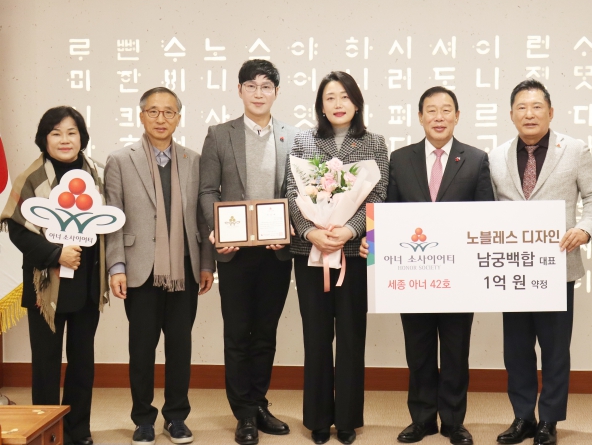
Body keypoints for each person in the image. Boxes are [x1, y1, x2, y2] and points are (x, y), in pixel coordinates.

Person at [489, 79, 592, 445]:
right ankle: (523, 417)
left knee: (555, 350)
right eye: (521, 107)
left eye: (537, 106)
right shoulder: (495, 156)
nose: (529, 114)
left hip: (558, 268)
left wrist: (585, 229)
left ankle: (549, 420)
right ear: (511, 114)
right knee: (516, 350)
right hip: (513, 269)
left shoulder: (574, 149)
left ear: (551, 112)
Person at [105, 87, 214, 445]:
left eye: (169, 112)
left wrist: (207, 264)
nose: (161, 118)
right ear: (141, 116)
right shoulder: (120, 160)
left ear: (178, 118)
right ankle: (143, 419)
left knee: (180, 347)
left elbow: (203, 219)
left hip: (184, 267)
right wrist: (116, 266)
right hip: (140, 269)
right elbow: (114, 220)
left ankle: (176, 417)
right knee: (141, 349)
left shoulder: (194, 160)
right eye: (153, 111)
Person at [286, 71, 389, 445]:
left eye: (345, 96)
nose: (338, 103)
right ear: (321, 106)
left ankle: (346, 419)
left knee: (350, 337)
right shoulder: (303, 140)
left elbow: (379, 194)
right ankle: (317, 419)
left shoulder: (375, 143)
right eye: (330, 97)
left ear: (356, 103)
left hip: (354, 255)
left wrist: (351, 229)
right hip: (310, 254)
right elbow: (291, 193)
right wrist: (310, 232)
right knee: (315, 338)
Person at [199, 59, 297, 445]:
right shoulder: (219, 135)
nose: (259, 93)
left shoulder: (293, 136)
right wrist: (217, 230)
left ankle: (259, 404)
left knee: (266, 333)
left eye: (266, 86)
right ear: (239, 90)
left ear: (276, 92)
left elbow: (297, 192)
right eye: (251, 86)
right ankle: (243, 413)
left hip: (276, 251)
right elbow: (209, 190)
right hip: (235, 251)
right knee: (238, 333)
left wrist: (290, 227)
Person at [388, 86, 493, 445]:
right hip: (412, 274)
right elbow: (384, 215)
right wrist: (375, 250)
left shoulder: (476, 159)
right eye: (431, 110)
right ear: (420, 117)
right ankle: (421, 419)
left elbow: (485, 218)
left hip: (458, 277)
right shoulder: (400, 159)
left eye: (446, 110)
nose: (438, 117)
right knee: (418, 350)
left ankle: (453, 421)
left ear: (457, 116)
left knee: (454, 351)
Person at [1, 106, 107, 445]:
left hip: (87, 283)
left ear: (82, 137)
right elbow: (18, 230)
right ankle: (46, 433)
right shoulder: (31, 177)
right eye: (56, 133)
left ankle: (78, 431)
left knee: (82, 362)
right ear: (44, 139)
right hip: (45, 286)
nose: (65, 139)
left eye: (71, 132)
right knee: (46, 364)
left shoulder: (97, 173)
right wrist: (55, 254)